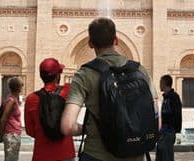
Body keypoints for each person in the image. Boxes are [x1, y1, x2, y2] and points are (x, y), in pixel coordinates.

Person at [60, 17, 158, 161]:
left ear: (90, 44)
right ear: (116, 40)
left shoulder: (85, 74)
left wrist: (86, 129)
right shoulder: (140, 70)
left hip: (96, 155)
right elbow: (155, 117)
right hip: (134, 154)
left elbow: (67, 126)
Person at [24, 58, 76, 161]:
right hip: (65, 153)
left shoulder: (31, 99)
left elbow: (30, 131)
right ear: (58, 76)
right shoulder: (68, 91)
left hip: (42, 154)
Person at [156, 75, 182, 161]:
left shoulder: (174, 97)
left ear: (164, 84)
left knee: (167, 157)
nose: (159, 85)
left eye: (160, 83)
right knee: (160, 156)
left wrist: (176, 130)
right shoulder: (166, 97)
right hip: (163, 131)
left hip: (169, 131)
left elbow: (177, 114)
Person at [0, 77, 23, 161]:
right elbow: (4, 118)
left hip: (14, 134)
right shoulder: (11, 100)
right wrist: (1, 135)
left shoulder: (12, 99)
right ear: (19, 88)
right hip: (11, 135)